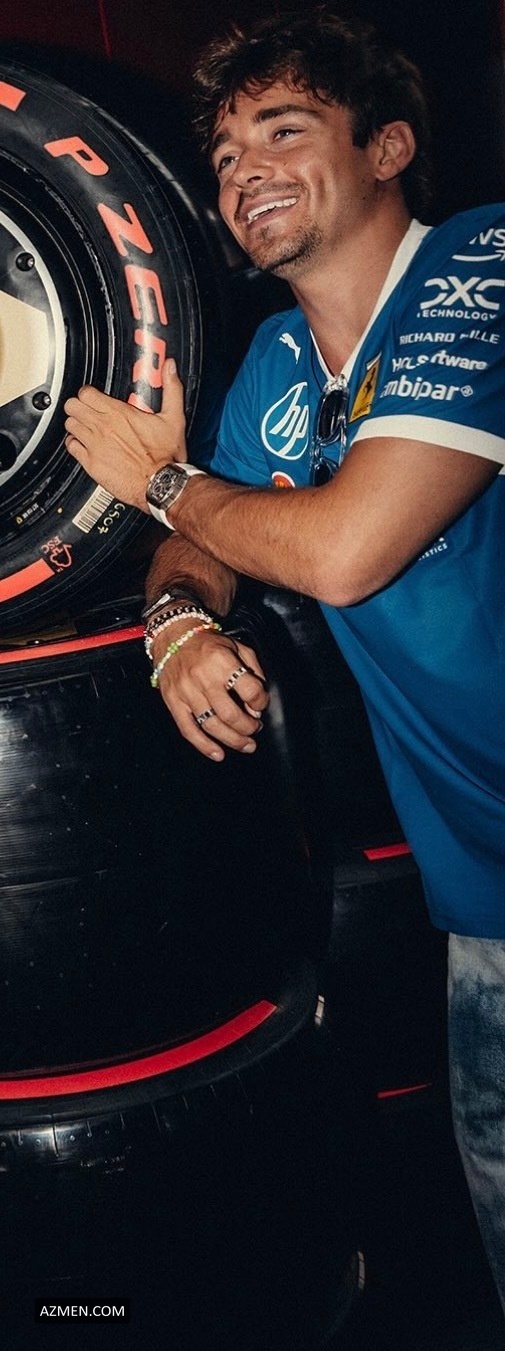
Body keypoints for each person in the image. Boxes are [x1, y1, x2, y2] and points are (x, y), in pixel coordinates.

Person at [64, 8, 505, 1313]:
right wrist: (179, 624)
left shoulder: (480, 269)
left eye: (282, 130)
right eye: (224, 153)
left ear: (388, 147)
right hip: (483, 901)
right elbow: (200, 546)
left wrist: (161, 481)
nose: (241, 170)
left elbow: (343, 548)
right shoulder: (275, 360)